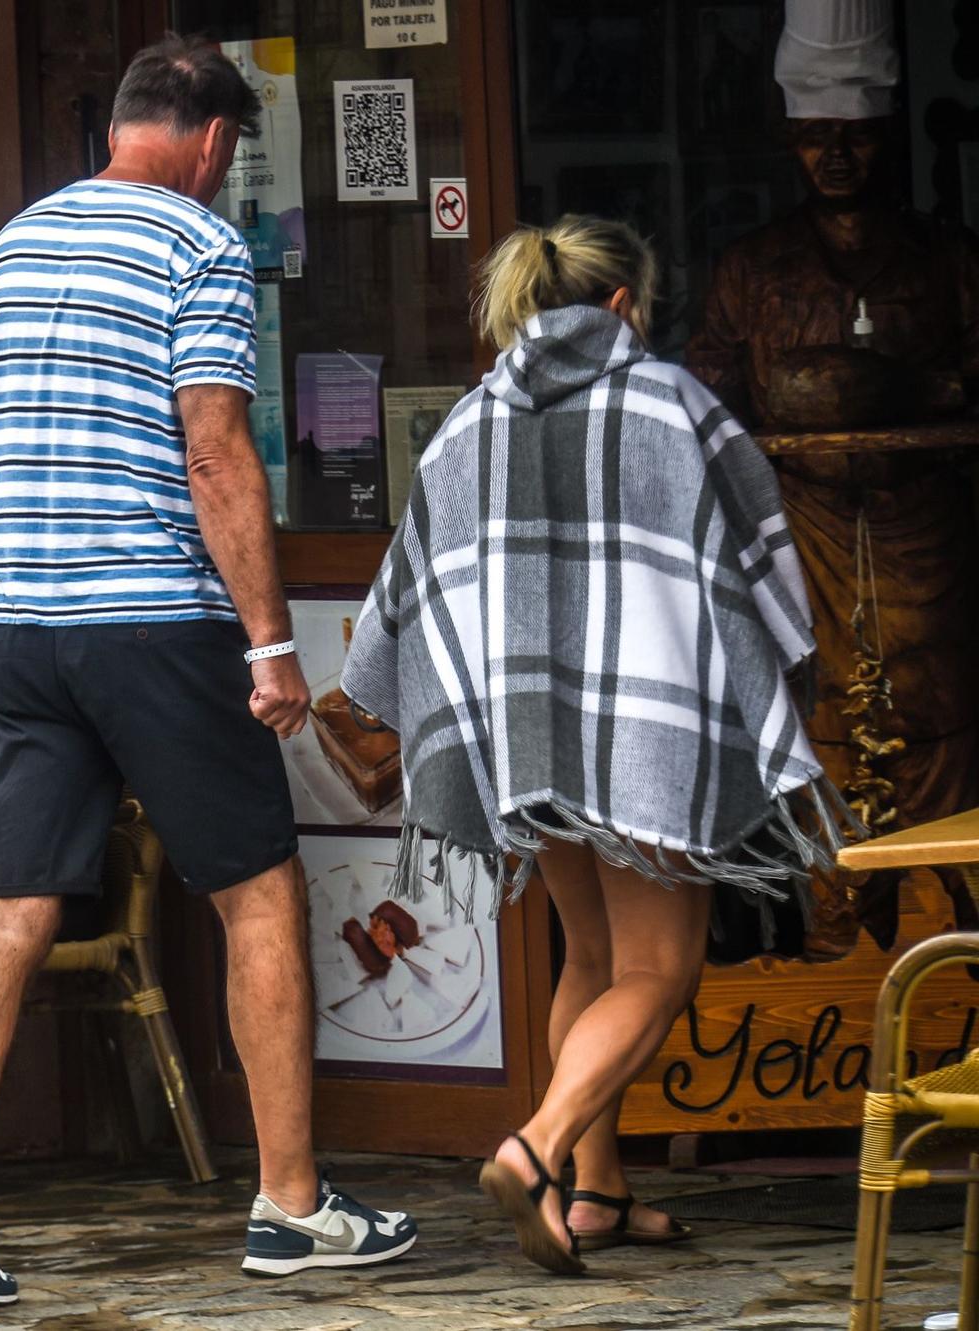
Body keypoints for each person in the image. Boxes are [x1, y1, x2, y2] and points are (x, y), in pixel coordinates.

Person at [0, 34, 418, 1312]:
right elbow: (215, 452)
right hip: (153, 626)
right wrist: (273, 641)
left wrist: (13, 559)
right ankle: (290, 1204)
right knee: (255, 895)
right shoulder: (197, 245)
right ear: (215, 141)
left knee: (6, 914)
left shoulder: (9, 245)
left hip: (19, 634)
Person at [342, 216, 846, 1275]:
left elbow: (408, 594)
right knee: (657, 968)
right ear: (622, 304)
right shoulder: (669, 405)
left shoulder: (467, 421)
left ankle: (597, 1194)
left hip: (526, 744)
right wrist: (786, 681)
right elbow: (757, 567)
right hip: (645, 732)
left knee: (590, 956)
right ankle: (535, 1149)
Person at [686, 0, 979, 960]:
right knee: (818, 721)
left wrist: (917, 392)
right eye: (817, 136)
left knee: (937, 717)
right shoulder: (751, 269)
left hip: (923, 539)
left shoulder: (946, 261)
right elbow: (708, 396)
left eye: (855, 133)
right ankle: (830, 947)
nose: (837, 155)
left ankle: (947, 946)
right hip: (799, 535)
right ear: (789, 137)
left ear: (885, 130)